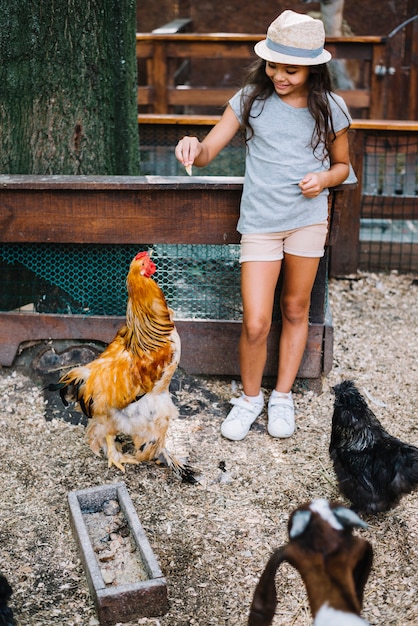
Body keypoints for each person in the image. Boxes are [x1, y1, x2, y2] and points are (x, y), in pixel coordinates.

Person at [175, 10, 352, 442]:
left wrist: (323, 179)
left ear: (312, 67)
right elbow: (209, 150)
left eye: (290, 69)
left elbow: (344, 167)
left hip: (308, 220)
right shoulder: (250, 99)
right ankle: (250, 399)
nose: (279, 75)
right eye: (273, 65)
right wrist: (192, 145)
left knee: (295, 310)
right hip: (259, 223)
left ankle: (282, 397)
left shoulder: (330, 107)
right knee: (255, 321)